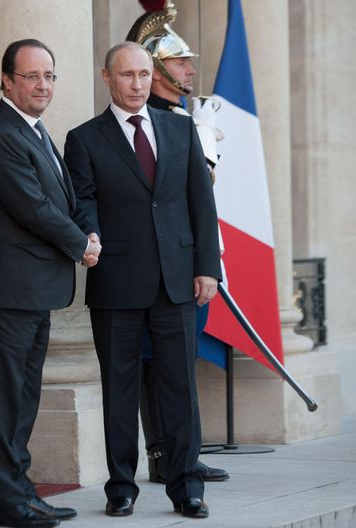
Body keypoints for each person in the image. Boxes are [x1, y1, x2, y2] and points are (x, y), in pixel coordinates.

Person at [63, 42, 221, 519]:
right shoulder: (83, 139)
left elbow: (201, 203)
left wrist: (207, 268)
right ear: (107, 77)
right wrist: (88, 234)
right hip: (116, 281)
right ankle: (120, 488)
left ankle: (187, 486)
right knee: (119, 390)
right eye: (127, 75)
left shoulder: (180, 129)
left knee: (180, 388)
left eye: (144, 75)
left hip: (177, 280)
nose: (137, 85)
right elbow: (83, 201)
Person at [0, 38, 96, 528]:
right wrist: (81, 244)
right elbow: (33, 208)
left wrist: (87, 230)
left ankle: (20, 492)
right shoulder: (1, 135)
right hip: (6, 290)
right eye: (32, 76)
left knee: (22, 398)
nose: (43, 85)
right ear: (6, 81)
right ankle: (5, 502)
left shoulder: (33, 131)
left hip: (29, 291)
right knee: (5, 401)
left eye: (49, 76)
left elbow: (61, 200)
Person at [125, 0, 229, 484]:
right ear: (157, 68)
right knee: (156, 360)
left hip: (188, 259)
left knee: (181, 361)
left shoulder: (183, 118)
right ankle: (163, 453)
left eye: (188, 62)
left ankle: (183, 452)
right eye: (180, 62)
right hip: (161, 265)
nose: (189, 69)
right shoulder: (152, 122)